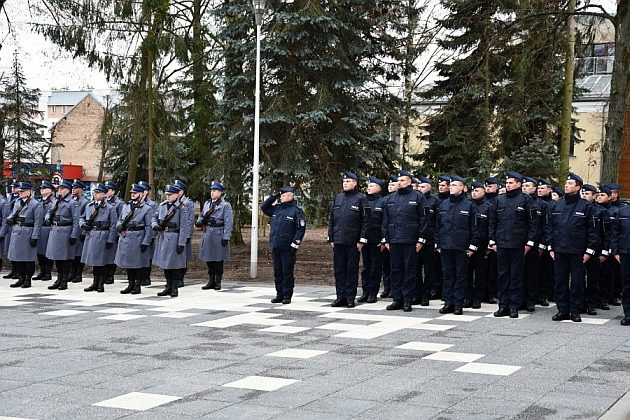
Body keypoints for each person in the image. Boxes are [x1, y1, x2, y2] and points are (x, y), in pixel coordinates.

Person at [545, 173, 598, 323]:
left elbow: (593, 231)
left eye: (570, 183)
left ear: (578, 187)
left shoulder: (586, 206)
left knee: (577, 282)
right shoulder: (557, 205)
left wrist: (589, 251)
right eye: (566, 183)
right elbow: (550, 228)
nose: (566, 186)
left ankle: (575, 310)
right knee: (560, 281)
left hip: (578, 251)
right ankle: (562, 310)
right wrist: (551, 247)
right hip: (560, 250)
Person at [489, 171, 537, 318]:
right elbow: (492, 221)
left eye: (511, 183)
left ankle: (514, 306)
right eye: (507, 183)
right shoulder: (499, 200)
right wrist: (492, 241)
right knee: (502, 275)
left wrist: (529, 243)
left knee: (516, 276)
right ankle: (503, 305)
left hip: (518, 244)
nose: (508, 185)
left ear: (518, 184)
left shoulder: (526, 200)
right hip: (502, 243)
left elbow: (532, 223)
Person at [382, 170, 429, 312]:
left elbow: (424, 220)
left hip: (410, 240)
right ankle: (397, 299)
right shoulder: (390, 199)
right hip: (394, 240)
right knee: (395, 270)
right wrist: (386, 240)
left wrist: (421, 240)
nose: (399, 183)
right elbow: (385, 221)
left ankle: (408, 300)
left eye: (402, 180)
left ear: (409, 181)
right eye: (398, 181)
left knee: (410, 271)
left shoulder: (418, 197)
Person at [435, 176, 479, 315]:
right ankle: (448, 302)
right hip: (446, 246)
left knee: (461, 276)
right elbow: (438, 226)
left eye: (454, 185)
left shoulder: (469, 205)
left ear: (462, 188)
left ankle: (458, 303)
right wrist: (439, 244)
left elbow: (474, 228)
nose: (451, 187)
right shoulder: (443, 204)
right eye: (451, 185)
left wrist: (472, 246)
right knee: (448, 275)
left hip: (462, 247)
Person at [327, 172, 368, 308]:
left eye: (348, 181)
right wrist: (331, 238)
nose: (345, 183)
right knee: (339, 270)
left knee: (351, 270)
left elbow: (366, 221)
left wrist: (362, 240)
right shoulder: (338, 198)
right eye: (344, 181)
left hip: (353, 241)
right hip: (338, 241)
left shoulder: (361, 198)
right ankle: (340, 296)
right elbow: (332, 219)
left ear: (355, 183)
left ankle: (350, 297)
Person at [261, 186, 306, 304]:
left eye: (283, 195)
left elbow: (300, 229)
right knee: (278, 272)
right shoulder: (277, 209)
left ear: (291, 196)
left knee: (287, 272)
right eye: (281, 195)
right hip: (276, 245)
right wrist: (275, 196)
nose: (281, 197)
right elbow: (264, 207)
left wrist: (295, 244)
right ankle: (279, 294)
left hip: (288, 247)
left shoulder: (296, 211)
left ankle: (287, 295)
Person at [152, 184, 191, 298]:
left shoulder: (182, 208)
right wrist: (155, 225)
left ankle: (174, 287)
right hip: (164, 236)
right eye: (167, 194)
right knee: (165, 264)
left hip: (175, 237)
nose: (168, 197)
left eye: (170, 195)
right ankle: (168, 286)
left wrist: (181, 243)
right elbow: (154, 217)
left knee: (174, 264)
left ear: (176, 195)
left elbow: (184, 227)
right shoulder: (162, 206)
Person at [115, 183, 154, 294]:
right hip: (126, 236)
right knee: (128, 263)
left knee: (137, 264)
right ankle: (130, 284)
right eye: (132, 193)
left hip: (138, 237)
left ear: (141, 194)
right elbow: (120, 219)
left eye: (135, 193)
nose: (132, 195)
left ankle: (137, 284)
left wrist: (146, 242)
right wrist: (119, 226)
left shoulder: (147, 208)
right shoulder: (126, 206)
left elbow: (149, 226)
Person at [81, 184, 117, 293]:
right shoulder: (89, 206)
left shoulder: (110, 208)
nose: (95, 194)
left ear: (104, 194)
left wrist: (110, 239)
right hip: (91, 234)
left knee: (102, 262)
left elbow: (113, 225)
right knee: (94, 262)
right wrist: (83, 225)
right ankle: (95, 282)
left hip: (103, 235)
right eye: (94, 192)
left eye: (98, 192)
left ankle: (101, 283)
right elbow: (82, 218)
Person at [197, 181, 233, 291]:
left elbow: (228, 222)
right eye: (211, 190)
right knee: (209, 258)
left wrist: (226, 236)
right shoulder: (207, 204)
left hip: (218, 233)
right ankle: (211, 280)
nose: (212, 192)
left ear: (220, 193)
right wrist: (200, 221)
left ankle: (218, 281)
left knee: (218, 259)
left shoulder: (225, 205)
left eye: (215, 191)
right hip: (208, 232)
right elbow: (202, 216)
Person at [6, 182, 43, 288]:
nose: (20, 193)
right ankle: (21, 277)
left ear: (29, 191)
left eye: (22, 191)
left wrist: (35, 236)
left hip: (28, 232)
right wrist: (10, 219)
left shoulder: (36, 204)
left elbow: (38, 222)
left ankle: (28, 279)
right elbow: (12, 214)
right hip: (17, 231)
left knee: (28, 258)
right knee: (17, 257)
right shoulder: (17, 202)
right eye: (20, 191)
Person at [46, 180, 80, 291]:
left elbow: (76, 220)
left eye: (62, 189)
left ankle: (64, 280)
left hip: (65, 231)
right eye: (59, 189)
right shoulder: (57, 201)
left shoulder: (72, 202)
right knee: (56, 257)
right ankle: (59, 278)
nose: (60, 191)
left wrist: (74, 235)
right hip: (55, 230)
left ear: (68, 190)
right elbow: (49, 212)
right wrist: (47, 218)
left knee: (65, 258)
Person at [358, 176, 385, 303]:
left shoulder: (383, 202)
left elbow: (385, 222)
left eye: (372, 186)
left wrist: (383, 239)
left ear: (378, 188)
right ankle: (365, 292)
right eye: (368, 186)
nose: (368, 187)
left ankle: (373, 293)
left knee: (375, 267)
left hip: (377, 240)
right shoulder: (363, 201)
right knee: (366, 267)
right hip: (365, 239)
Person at [414, 176, 439, 306]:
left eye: (423, 186)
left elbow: (438, 223)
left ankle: (426, 295)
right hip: (416, 240)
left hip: (429, 241)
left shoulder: (434, 201)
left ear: (429, 187)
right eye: (418, 186)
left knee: (429, 270)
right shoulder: (416, 200)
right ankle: (417, 294)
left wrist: (436, 240)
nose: (420, 189)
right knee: (415, 269)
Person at [467, 181, 491, 309]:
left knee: (480, 273)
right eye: (473, 191)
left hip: (482, 245)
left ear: (483, 192)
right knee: (467, 272)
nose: (474, 193)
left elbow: (490, 227)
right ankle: (468, 297)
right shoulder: (467, 205)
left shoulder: (488, 207)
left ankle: (477, 298)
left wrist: (489, 245)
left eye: (477, 191)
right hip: (468, 243)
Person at [581, 184, 605, 315]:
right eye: (583, 194)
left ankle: (591, 304)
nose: (584, 196)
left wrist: (604, 252)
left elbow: (603, 234)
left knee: (592, 279)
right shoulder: (578, 208)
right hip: (579, 249)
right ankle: (580, 303)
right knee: (578, 278)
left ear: (594, 196)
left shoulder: (600, 211)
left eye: (587, 194)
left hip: (595, 250)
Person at [596, 185, 619, 310]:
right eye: (598, 195)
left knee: (607, 275)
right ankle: (595, 298)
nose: (599, 197)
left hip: (608, 248)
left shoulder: (615, 211)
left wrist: (609, 250)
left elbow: (613, 233)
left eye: (603, 195)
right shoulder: (593, 209)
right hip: (596, 246)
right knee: (596, 275)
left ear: (610, 197)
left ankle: (605, 298)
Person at [610, 199, 630, 325]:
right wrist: (615, 251)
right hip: (626, 252)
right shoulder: (623, 211)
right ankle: (628, 314)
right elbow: (615, 233)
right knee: (627, 285)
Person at [380, 175, 399, 298]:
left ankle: (394, 288)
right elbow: (383, 221)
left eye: (393, 184)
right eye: (389, 185)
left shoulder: (399, 199)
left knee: (395, 266)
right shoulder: (384, 200)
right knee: (386, 265)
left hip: (396, 237)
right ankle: (387, 287)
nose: (390, 187)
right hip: (386, 237)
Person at [33, 181, 55, 281]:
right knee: (39, 252)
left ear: (50, 190)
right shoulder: (39, 201)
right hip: (39, 227)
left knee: (48, 251)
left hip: (48, 228)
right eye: (41, 188)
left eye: (44, 188)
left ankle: (48, 272)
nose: (42, 189)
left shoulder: (54, 202)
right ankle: (42, 271)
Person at [537, 178, 554, 306]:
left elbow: (549, 226)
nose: (540, 190)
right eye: (538, 188)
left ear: (549, 189)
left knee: (545, 270)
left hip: (547, 242)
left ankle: (544, 295)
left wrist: (545, 243)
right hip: (533, 242)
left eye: (543, 188)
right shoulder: (534, 203)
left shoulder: (553, 204)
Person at [137, 180, 157, 286]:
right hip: (138, 234)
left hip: (148, 233)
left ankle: (146, 277)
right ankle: (138, 277)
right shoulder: (136, 204)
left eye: (144, 190)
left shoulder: (152, 204)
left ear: (147, 192)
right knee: (138, 255)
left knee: (147, 256)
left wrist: (152, 236)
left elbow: (153, 220)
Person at [69, 179, 89, 283]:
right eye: (72, 187)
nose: (73, 189)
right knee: (72, 253)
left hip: (80, 231)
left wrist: (83, 233)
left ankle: (78, 274)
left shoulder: (85, 202)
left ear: (81, 189)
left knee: (79, 254)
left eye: (76, 188)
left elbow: (85, 218)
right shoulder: (71, 200)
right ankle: (72, 273)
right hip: (72, 230)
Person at [104, 181, 124, 285]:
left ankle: (110, 275)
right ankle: (104, 274)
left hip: (114, 231)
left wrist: (117, 234)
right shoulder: (103, 202)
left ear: (113, 191)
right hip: (103, 231)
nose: (106, 192)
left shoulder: (119, 203)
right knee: (104, 254)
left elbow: (121, 219)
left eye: (108, 190)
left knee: (111, 255)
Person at [1, 180, 20, 279]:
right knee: (10, 249)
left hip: (16, 226)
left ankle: (17, 271)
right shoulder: (10, 197)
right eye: (13, 187)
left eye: (15, 187)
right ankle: (13, 270)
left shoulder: (19, 199)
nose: (14, 189)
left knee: (16, 249)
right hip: (9, 226)